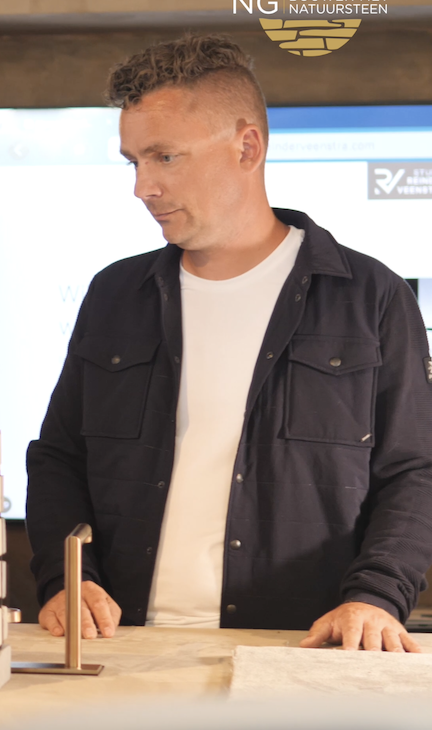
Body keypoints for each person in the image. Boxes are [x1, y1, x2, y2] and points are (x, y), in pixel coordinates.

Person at [26, 34, 432, 652]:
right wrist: (64, 579)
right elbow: (59, 458)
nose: (142, 187)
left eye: (165, 157)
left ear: (248, 147)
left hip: (302, 651)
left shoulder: (373, 297)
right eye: (133, 162)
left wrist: (376, 597)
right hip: (120, 647)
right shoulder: (114, 294)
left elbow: (414, 473)